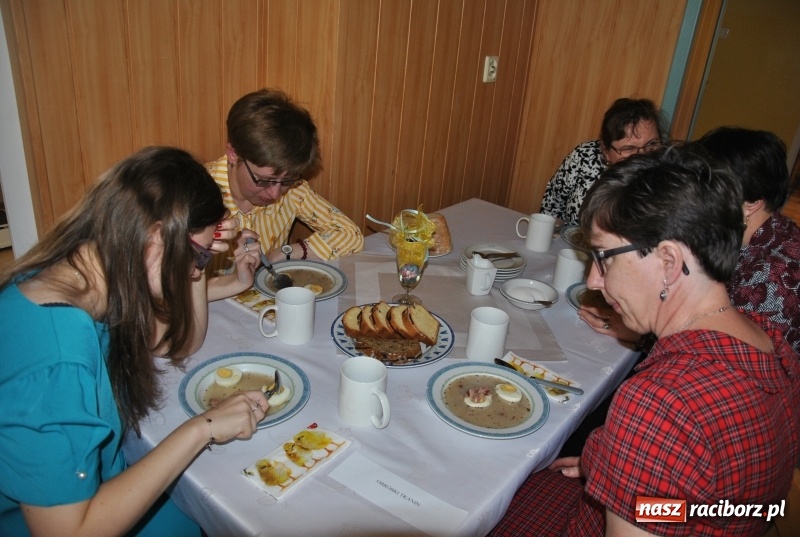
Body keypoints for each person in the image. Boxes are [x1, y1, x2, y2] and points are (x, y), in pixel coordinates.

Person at [490, 145, 800, 536]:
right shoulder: (772, 342)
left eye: (604, 257)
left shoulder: (659, 404)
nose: (593, 281)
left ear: (668, 262)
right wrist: (625, 474)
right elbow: (735, 510)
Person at [0, 147, 269, 536]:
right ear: (155, 236)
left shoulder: (80, 275)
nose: (197, 272)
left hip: (100, 484)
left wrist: (199, 252)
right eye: (197, 258)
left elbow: (172, 344)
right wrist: (202, 428)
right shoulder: (57, 358)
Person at [578, 127, 800, 356]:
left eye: (711, 184)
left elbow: (718, 354)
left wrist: (642, 332)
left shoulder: (776, 276)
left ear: (751, 202)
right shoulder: (766, 236)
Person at [207, 88, 364, 263]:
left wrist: (285, 252)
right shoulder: (192, 193)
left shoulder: (294, 191)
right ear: (233, 154)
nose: (275, 194)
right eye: (265, 180)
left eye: (287, 181)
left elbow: (350, 234)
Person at [540, 97, 665, 226]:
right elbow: (553, 202)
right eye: (629, 148)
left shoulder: (669, 182)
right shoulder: (585, 156)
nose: (642, 155)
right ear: (605, 151)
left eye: (652, 144)